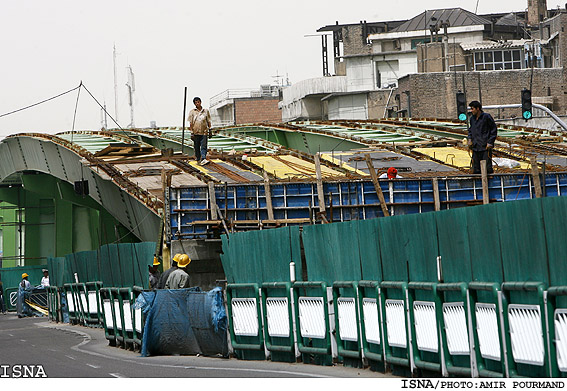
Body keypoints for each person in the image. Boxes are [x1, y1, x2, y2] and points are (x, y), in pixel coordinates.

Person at [467, 100, 498, 174]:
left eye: (472, 109)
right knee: (476, 168)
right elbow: (471, 130)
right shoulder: (472, 119)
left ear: (478, 108)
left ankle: (488, 182)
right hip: (476, 147)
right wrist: (470, 139)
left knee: (487, 168)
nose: (471, 111)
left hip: (485, 148)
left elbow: (493, 130)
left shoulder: (486, 117)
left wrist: (490, 142)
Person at [187, 97, 212, 165]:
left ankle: (203, 158)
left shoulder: (206, 111)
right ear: (194, 104)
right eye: (196, 102)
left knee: (204, 145)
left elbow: (208, 121)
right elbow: (191, 123)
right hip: (196, 132)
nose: (197, 103)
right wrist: (191, 132)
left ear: (200, 102)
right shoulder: (192, 112)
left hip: (204, 131)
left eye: (198, 102)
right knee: (197, 146)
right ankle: (198, 158)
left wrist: (210, 129)